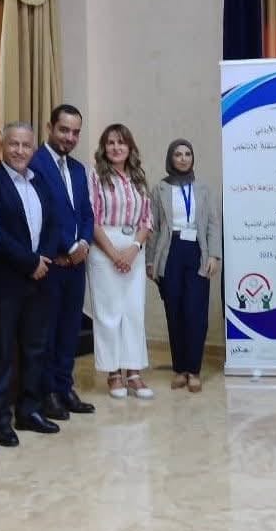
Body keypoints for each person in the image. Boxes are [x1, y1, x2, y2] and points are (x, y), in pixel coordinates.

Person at [0, 122, 61, 446]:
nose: (19, 151)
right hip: (6, 280)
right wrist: (30, 262)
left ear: (34, 148)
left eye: (26, 145)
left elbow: (54, 223)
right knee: (1, 352)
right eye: (13, 144)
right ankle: (0, 419)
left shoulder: (40, 181)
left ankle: (29, 411)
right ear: (2, 145)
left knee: (34, 348)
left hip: (40, 279)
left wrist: (44, 259)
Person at [28, 104, 97, 420]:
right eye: (64, 130)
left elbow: (87, 213)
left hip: (76, 264)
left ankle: (65, 386)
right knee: (48, 332)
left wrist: (84, 243)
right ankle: (48, 394)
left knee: (70, 329)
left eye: (75, 132)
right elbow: (40, 214)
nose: (69, 137)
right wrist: (66, 247)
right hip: (51, 263)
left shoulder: (80, 170)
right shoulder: (34, 164)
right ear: (49, 128)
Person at [147, 139, 221, 393]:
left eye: (187, 154)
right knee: (175, 311)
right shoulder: (159, 189)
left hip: (197, 252)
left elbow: (213, 225)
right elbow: (154, 228)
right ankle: (180, 369)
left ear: (192, 158)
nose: (183, 158)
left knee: (195, 312)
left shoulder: (203, 189)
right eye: (177, 154)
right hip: (170, 252)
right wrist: (150, 261)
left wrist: (214, 255)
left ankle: (194, 370)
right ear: (171, 158)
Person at [88, 124, 154, 399]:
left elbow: (147, 220)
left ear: (130, 147)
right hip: (104, 248)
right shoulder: (95, 176)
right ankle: (114, 373)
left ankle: (134, 372)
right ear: (104, 148)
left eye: (121, 142)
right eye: (110, 143)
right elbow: (91, 219)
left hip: (134, 248)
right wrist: (115, 254)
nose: (116, 147)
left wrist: (134, 248)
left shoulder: (139, 177)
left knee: (134, 311)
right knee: (108, 313)